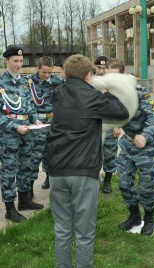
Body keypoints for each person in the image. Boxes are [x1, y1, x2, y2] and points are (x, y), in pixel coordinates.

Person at [46, 54, 129, 268]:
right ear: (89, 74)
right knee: (84, 232)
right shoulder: (92, 95)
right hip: (83, 172)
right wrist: (104, 92)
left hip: (56, 171)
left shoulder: (58, 93)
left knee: (62, 229)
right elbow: (121, 111)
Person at [0, 46, 45, 223]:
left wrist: (35, 120)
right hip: (9, 135)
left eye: (21, 61)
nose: (19, 64)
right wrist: (14, 127)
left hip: (27, 132)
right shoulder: (1, 82)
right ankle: (9, 208)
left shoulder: (25, 82)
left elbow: (30, 105)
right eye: (15, 61)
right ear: (6, 61)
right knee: (9, 170)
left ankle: (24, 201)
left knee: (26, 166)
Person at [117, 83, 154, 236]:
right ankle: (134, 216)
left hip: (146, 145)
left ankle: (149, 219)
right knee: (123, 182)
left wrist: (145, 135)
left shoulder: (139, 93)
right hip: (128, 143)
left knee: (147, 185)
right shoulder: (110, 93)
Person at [26, 56, 63, 198]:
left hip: (53, 122)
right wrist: (34, 119)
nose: (47, 75)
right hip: (37, 123)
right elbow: (27, 103)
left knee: (51, 153)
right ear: (37, 68)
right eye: (44, 73)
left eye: (49, 72)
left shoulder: (57, 81)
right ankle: (29, 188)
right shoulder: (29, 82)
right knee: (35, 156)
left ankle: (49, 178)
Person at [101, 58, 125, 194]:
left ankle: (107, 181)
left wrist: (118, 125)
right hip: (96, 126)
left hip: (111, 126)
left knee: (110, 155)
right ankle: (95, 181)